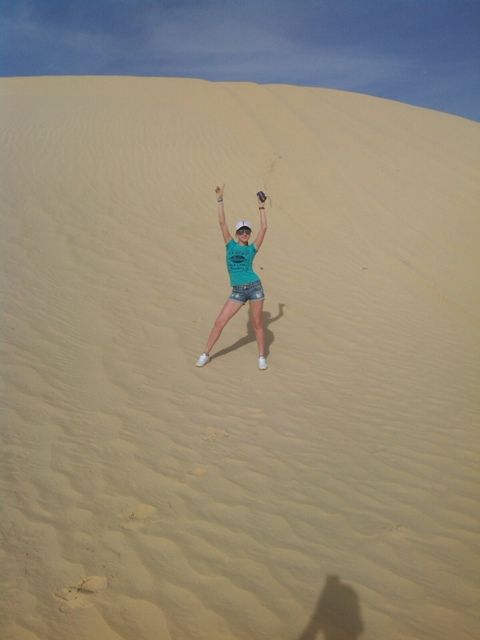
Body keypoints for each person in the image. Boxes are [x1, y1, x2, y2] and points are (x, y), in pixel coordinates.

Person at [196, 184, 268, 370]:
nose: (244, 234)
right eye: (241, 231)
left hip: (254, 287)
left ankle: (261, 357)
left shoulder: (252, 248)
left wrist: (261, 206)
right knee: (220, 321)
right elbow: (222, 223)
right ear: (236, 234)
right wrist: (220, 199)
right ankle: (205, 354)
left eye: (247, 231)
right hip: (237, 291)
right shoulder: (230, 245)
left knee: (258, 324)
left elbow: (264, 227)